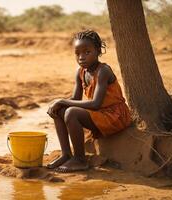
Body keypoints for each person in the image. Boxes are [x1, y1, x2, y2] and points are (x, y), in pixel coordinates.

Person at [46, 29, 132, 173]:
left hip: (114, 116)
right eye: (77, 53)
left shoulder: (103, 71)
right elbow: (75, 99)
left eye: (87, 52)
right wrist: (59, 103)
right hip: (99, 114)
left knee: (71, 112)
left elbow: (95, 103)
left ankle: (80, 160)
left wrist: (62, 100)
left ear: (98, 51)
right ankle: (66, 154)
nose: (81, 57)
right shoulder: (80, 72)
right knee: (59, 110)